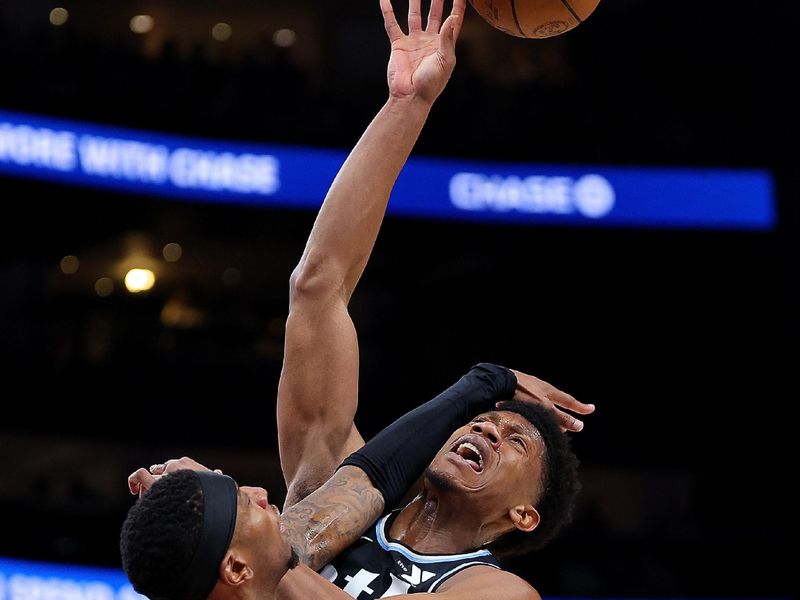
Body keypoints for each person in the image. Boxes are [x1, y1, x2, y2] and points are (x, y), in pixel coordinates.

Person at [120, 1, 594, 599]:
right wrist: (408, 105)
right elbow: (320, 287)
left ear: (523, 515)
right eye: (483, 422)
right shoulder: (330, 498)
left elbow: (270, 556)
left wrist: (217, 519)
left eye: (514, 442)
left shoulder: (496, 590)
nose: (489, 432)